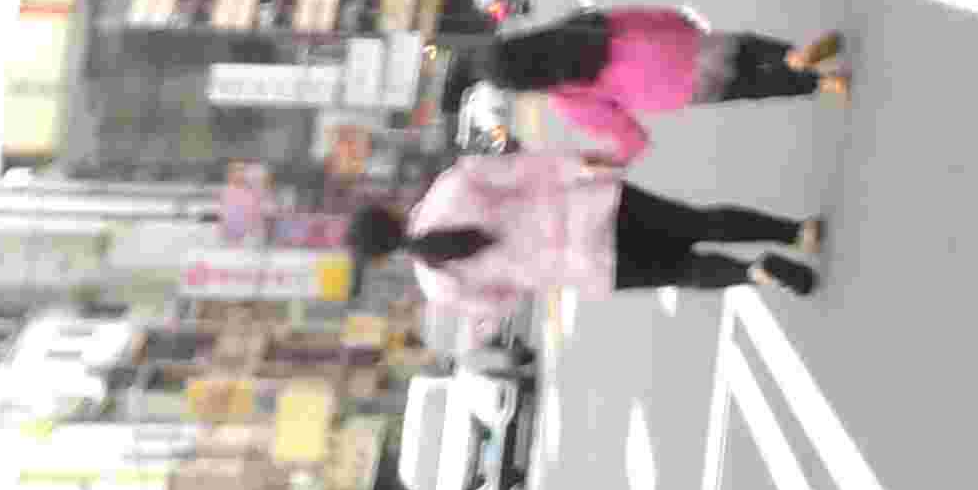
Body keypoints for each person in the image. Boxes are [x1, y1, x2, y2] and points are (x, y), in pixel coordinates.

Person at [346, 153, 824, 314]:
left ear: (384, 255)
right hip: (596, 210)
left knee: (686, 270)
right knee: (697, 222)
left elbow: (504, 304)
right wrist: (583, 164)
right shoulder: (451, 186)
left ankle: (754, 272)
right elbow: (529, 170)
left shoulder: (439, 285)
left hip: (590, 266)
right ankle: (796, 233)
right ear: (388, 210)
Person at [467, 6, 845, 162]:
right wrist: (679, 23)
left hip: (678, 88)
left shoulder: (566, 99)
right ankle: (794, 57)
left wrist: (614, 160)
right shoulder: (574, 27)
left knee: (749, 86)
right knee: (746, 47)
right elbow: (639, 16)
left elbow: (629, 135)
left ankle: (823, 83)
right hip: (673, 46)